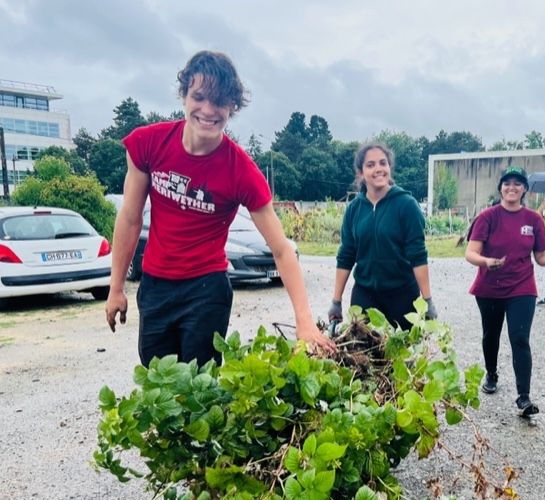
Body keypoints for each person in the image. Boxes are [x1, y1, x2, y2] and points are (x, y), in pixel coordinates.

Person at [105, 50, 332, 367]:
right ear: (184, 95)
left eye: (220, 102)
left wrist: (304, 321)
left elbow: (281, 249)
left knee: (199, 391)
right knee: (159, 384)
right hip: (156, 286)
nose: (208, 110)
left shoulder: (241, 170)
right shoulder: (148, 144)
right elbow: (130, 219)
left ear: (233, 106)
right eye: (199, 97)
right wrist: (116, 287)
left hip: (206, 290)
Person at [464, 166, 545, 417]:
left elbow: (541, 256)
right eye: (507, 183)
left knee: (520, 338)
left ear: (524, 189)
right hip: (489, 288)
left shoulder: (534, 220)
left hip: (522, 288)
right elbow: (470, 253)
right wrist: (487, 262)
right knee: (490, 335)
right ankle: (491, 373)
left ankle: (524, 398)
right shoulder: (487, 217)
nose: (511, 187)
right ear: (501, 188)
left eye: (517, 183)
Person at [328, 143, 437, 331]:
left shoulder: (406, 205)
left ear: (389, 167)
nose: (378, 169)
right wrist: (336, 301)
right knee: (364, 354)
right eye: (370, 165)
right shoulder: (354, 209)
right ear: (361, 173)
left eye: (382, 163)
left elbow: (417, 255)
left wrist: (428, 300)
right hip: (365, 297)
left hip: (402, 296)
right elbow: (346, 255)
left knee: (403, 356)